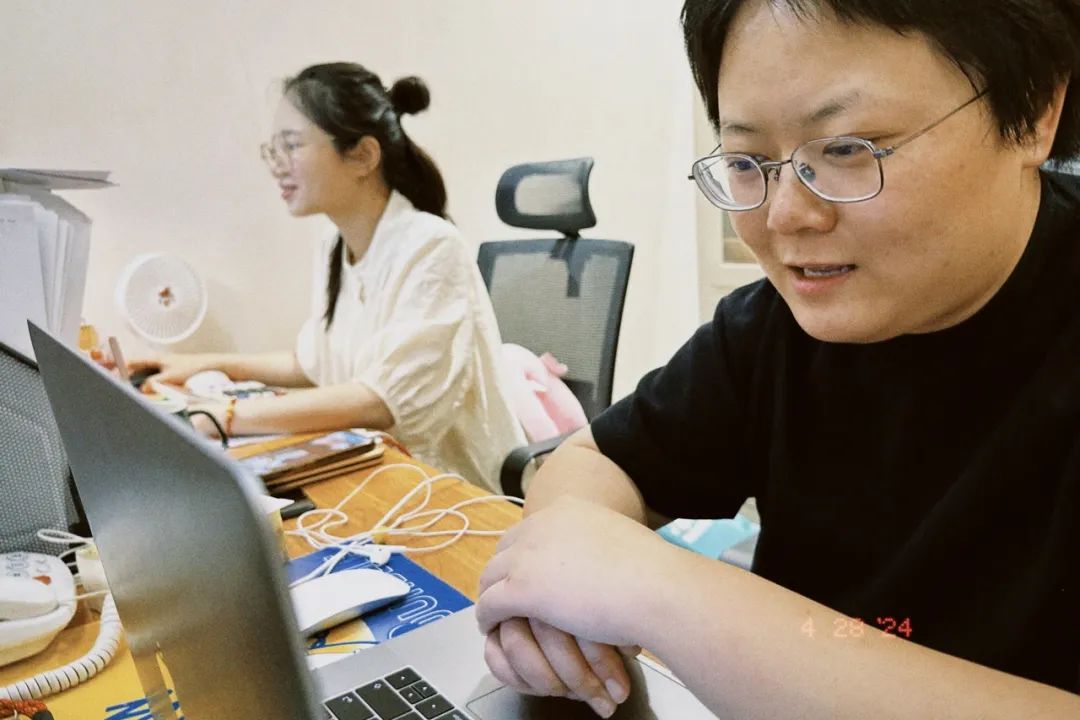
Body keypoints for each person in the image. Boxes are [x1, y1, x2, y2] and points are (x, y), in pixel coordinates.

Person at [474, 1, 1080, 717]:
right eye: (747, 162)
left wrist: (662, 594)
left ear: (1034, 111)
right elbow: (595, 462)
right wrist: (555, 597)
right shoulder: (773, 329)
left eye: (849, 148)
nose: (786, 215)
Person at [129, 62, 525, 492]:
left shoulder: (432, 247)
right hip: (377, 469)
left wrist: (223, 416)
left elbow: (380, 402)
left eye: (292, 145)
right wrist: (206, 364)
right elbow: (311, 361)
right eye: (273, 149)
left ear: (363, 155)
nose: (277, 165)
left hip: (452, 489)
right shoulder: (334, 245)